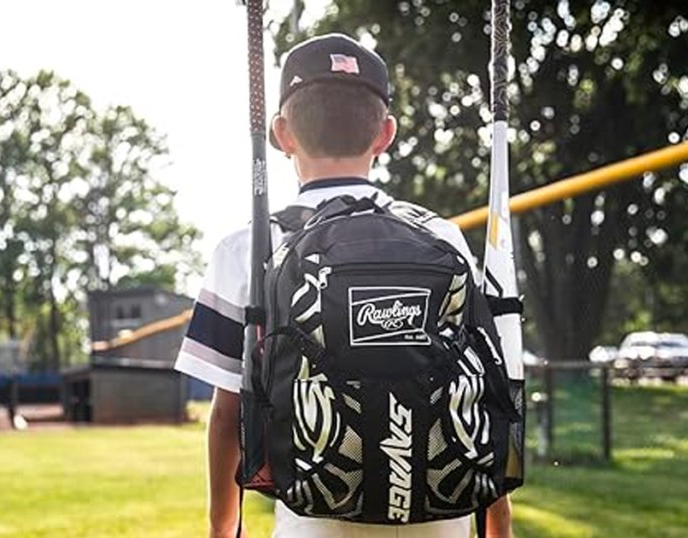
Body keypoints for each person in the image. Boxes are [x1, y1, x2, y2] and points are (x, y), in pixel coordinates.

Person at [175, 33, 514, 538]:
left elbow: (228, 416)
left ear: (282, 134)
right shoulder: (442, 236)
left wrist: (224, 528)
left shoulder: (249, 247)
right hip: (442, 510)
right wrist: (498, 526)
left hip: (314, 513)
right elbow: (491, 387)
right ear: (386, 134)